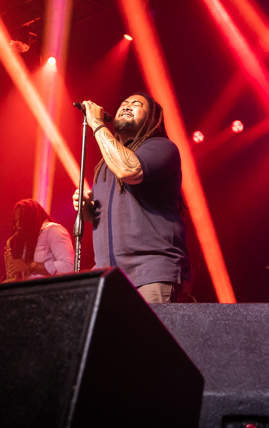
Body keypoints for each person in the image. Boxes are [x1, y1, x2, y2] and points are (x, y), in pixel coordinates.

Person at [73, 92, 190, 303]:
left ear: (151, 119)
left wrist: (97, 124)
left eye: (136, 104)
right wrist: (88, 211)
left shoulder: (162, 147)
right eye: (124, 103)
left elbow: (129, 170)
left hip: (150, 273)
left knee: (145, 327)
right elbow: (111, 217)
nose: (127, 106)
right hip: (108, 278)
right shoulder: (106, 164)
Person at [3, 199, 74, 280]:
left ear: (32, 218)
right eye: (16, 221)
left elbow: (69, 266)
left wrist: (30, 266)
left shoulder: (53, 230)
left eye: (21, 220)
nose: (17, 225)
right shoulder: (27, 240)